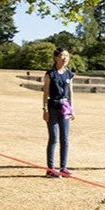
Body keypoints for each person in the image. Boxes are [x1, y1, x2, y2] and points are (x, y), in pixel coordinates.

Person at [42, 47, 74, 177]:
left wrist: (72, 108)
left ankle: (63, 167)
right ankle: (50, 169)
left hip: (65, 108)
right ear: (56, 58)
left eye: (67, 56)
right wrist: (45, 109)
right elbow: (45, 93)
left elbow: (71, 92)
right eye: (62, 55)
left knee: (65, 139)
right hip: (53, 108)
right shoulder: (50, 74)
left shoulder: (69, 74)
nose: (65, 58)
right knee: (54, 138)